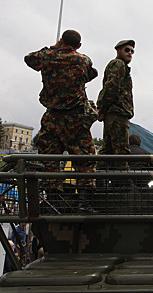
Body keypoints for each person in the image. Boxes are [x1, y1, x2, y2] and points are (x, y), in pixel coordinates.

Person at [25, 30, 98, 211]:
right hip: (75, 118)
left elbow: (29, 58)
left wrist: (53, 49)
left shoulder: (48, 57)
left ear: (61, 40)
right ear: (78, 46)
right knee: (85, 160)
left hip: (52, 117)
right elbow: (91, 73)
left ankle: (52, 202)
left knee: (51, 160)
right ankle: (83, 203)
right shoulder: (83, 60)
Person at [97, 40, 135, 168]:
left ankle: (98, 182)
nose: (130, 53)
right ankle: (123, 185)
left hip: (113, 113)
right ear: (118, 50)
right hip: (117, 113)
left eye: (132, 51)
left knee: (107, 150)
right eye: (127, 50)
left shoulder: (119, 65)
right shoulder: (118, 64)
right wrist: (102, 109)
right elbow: (111, 88)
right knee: (121, 152)